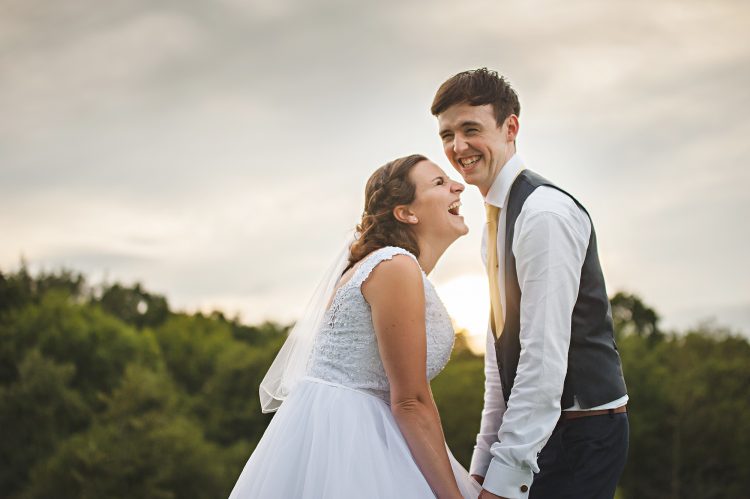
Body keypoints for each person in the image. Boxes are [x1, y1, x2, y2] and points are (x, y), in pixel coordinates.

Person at [228, 154, 483, 498]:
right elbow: (410, 401)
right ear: (406, 213)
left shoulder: (383, 265)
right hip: (352, 440)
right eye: (439, 182)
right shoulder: (395, 266)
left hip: (348, 428)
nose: (458, 185)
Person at [431, 68, 629, 499]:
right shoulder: (493, 221)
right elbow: (502, 359)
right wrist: (483, 465)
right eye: (447, 134)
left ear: (511, 127)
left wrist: (506, 480)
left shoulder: (543, 215)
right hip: (543, 432)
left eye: (471, 129)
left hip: (580, 436)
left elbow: (543, 358)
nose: (458, 147)